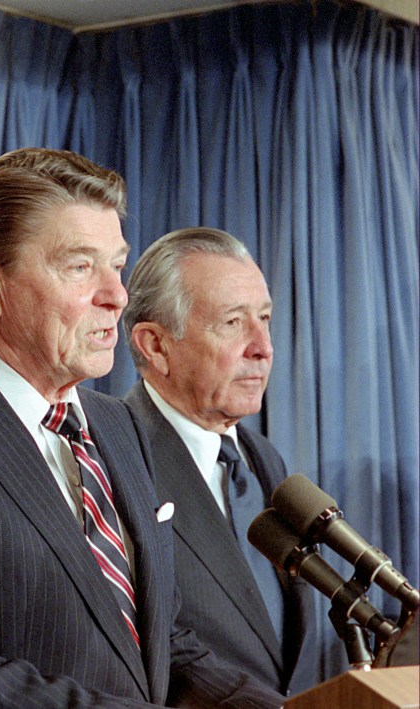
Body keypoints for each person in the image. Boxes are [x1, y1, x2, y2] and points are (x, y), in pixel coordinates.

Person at [0, 148, 284, 707]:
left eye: (116, 265)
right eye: (80, 267)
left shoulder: (116, 424)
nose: (116, 296)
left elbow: (163, 644)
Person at [121, 227, 315, 696]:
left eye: (264, 318)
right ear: (156, 345)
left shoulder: (262, 458)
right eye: (232, 322)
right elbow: (151, 644)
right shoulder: (115, 460)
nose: (263, 347)